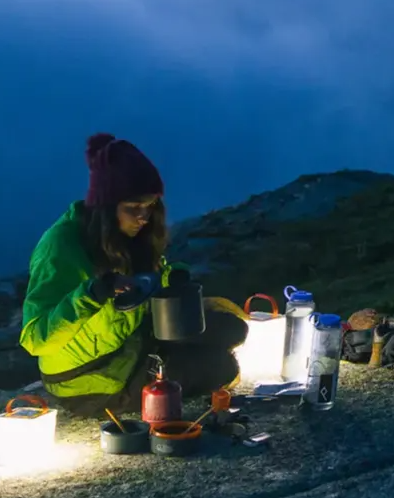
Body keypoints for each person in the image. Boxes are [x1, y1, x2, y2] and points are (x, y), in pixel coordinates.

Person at [18, 132, 246, 418]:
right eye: (133, 208)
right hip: (88, 375)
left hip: (131, 339)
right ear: (105, 206)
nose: (143, 217)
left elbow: (150, 277)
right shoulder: (61, 247)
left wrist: (173, 277)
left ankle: (163, 362)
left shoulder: (127, 233)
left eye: (150, 206)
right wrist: (91, 295)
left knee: (234, 329)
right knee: (222, 367)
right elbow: (35, 339)